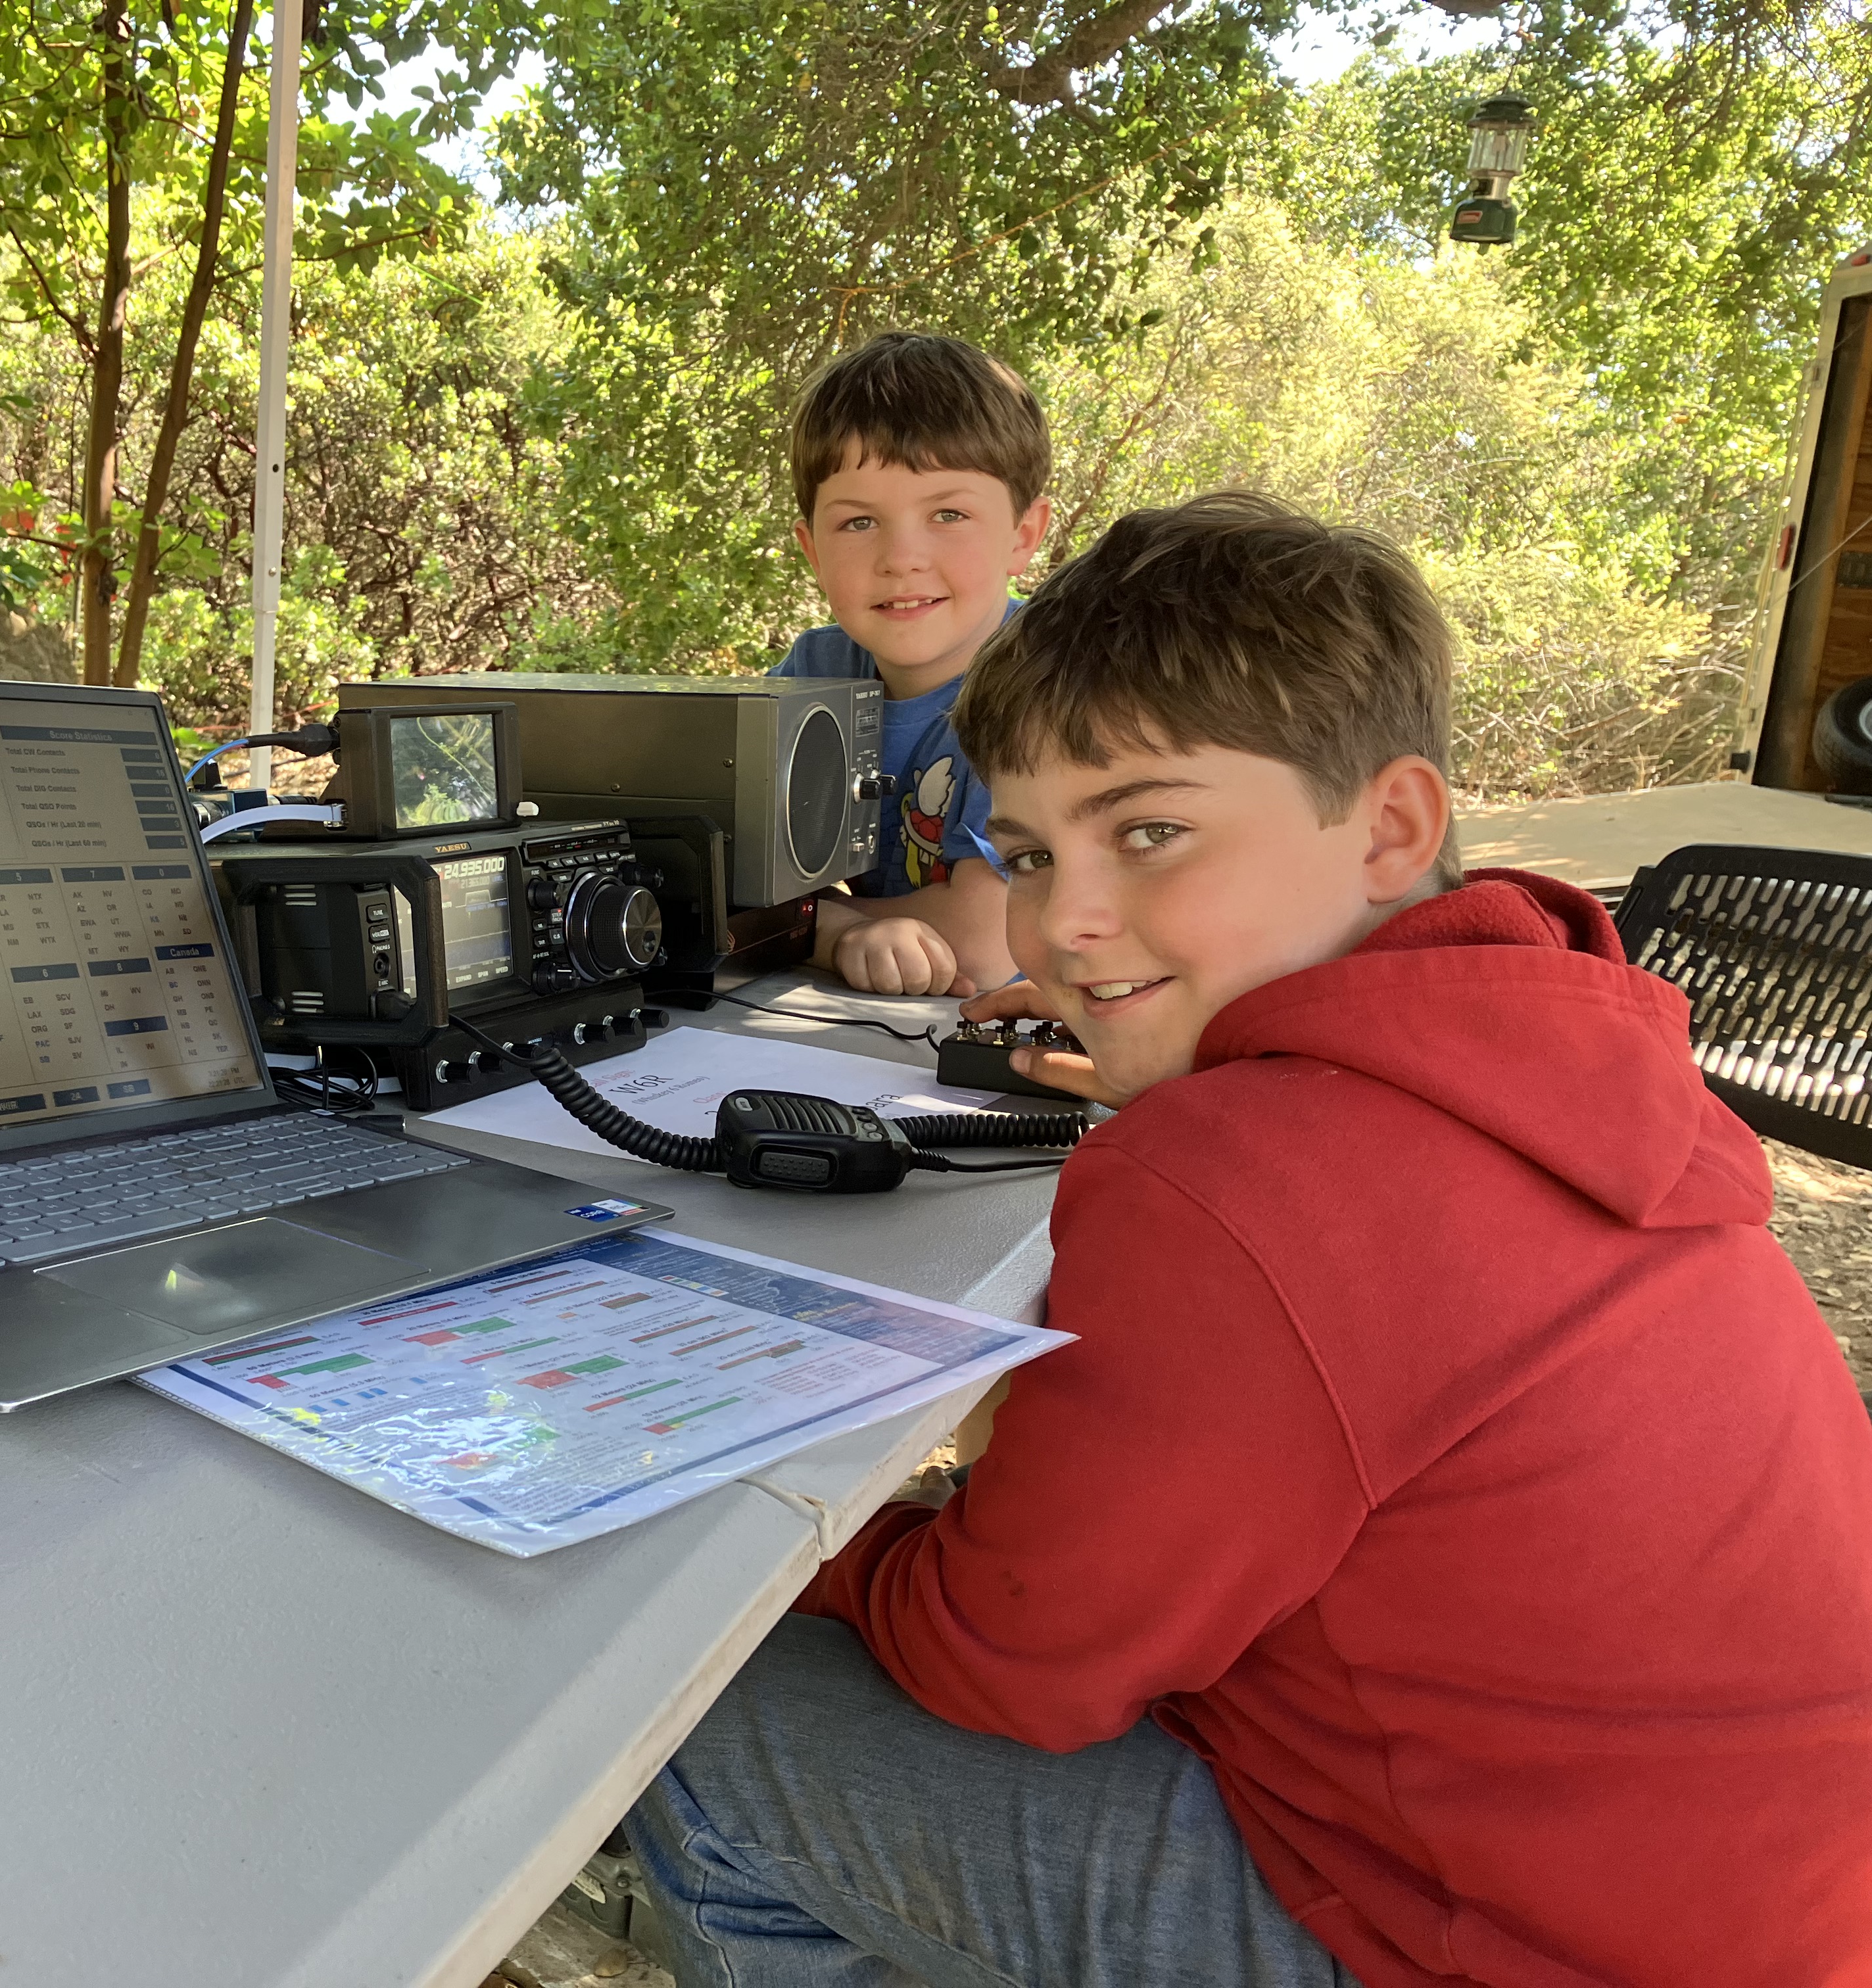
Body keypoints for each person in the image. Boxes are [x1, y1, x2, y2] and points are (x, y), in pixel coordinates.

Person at [626, 491, 1872, 1988]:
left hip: (1498, 1945)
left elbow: (1004, 1662)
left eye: (1150, 831)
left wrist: (796, 1548)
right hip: (1761, 1908)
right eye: (1029, 854)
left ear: (1391, 826)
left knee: (705, 1709)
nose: (1065, 925)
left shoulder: (1243, 1179)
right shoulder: (1564, 1056)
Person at [773, 331, 1048, 997]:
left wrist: (819, 930)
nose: (902, 559)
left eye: (948, 513)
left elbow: (983, 944)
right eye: (859, 523)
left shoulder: (1044, 684)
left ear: (1023, 536)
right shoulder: (817, 672)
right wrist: (835, 933)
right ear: (813, 551)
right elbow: (726, 876)